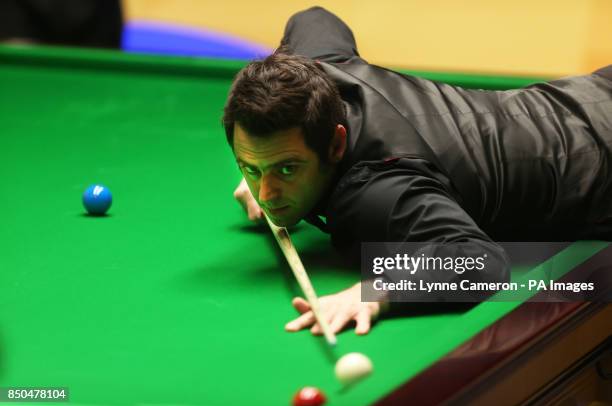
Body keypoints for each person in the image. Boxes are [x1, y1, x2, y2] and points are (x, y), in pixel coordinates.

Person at [222, 7, 612, 336]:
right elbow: (314, 18)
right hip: (591, 95)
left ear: (336, 145)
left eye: (288, 168)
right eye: (251, 169)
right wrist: (271, 162)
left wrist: (373, 293)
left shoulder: (378, 188)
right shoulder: (324, 72)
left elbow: (481, 263)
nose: (267, 193)